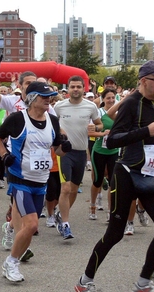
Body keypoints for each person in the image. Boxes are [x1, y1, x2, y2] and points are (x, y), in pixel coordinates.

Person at [75, 60, 154, 292]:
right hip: (126, 175)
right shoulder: (131, 103)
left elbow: (151, 139)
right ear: (144, 81)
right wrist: (146, 132)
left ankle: (142, 284)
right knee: (115, 233)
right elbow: (112, 140)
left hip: (148, 174)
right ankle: (85, 282)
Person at [0, 81, 71, 282]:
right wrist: (4, 155)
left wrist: (65, 148)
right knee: (32, 223)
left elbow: (57, 150)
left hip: (41, 180)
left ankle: (12, 254)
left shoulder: (53, 121)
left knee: (32, 227)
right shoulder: (18, 119)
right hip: (20, 179)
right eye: (44, 97)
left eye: (50, 97)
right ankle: (11, 263)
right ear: (32, 99)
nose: (48, 100)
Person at [54, 75, 103, 239]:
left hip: (81, 152)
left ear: (84, 88)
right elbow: (52, 125)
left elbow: (100, 124)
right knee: (66, 188)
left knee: (74, 190)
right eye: (72, 87)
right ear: (68, 89)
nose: (75, 89)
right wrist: (59, 132)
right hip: (64, 152)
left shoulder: (90, 106)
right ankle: (66, 225)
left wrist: (95, 126)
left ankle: (61, 214)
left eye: (78, 87)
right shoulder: (59, 106)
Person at [87, 88, 119, 221]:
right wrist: (102, 134)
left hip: (114, 151)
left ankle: (110, 211)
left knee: (113, 182)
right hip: (99, 150)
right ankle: (93, 205)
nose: (111, 100)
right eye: (108, 98)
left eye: (113, 98)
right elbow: (89, 132)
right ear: (103, 99)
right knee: (97, 181)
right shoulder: (98, 113)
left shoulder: (119, 113)